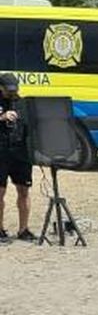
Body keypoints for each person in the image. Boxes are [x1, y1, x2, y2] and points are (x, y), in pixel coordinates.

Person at [0, 73, 34, 242]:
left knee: (24, 191)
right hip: (1, 152)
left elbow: (32, 127)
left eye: (14, 90)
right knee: (0, 192)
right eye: (8, 90)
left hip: (20, 153)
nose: (11, 93)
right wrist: (2, 117)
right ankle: (0, 229)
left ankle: (24, 229)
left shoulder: (22, 103)